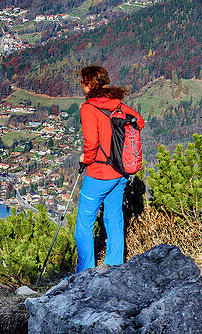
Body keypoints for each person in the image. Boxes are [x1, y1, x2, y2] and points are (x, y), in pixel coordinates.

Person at [74, 64, 144, 272]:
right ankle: (114, 266)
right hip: (120, 171)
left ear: (88, 84)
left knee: (84, 224)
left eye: (82, 83)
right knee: (114, 217)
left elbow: (91, 144)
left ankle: (85, 271)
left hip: (99, 173)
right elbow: (139, 121)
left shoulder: (88, 109)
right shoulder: (118, 105)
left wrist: (85, 159)